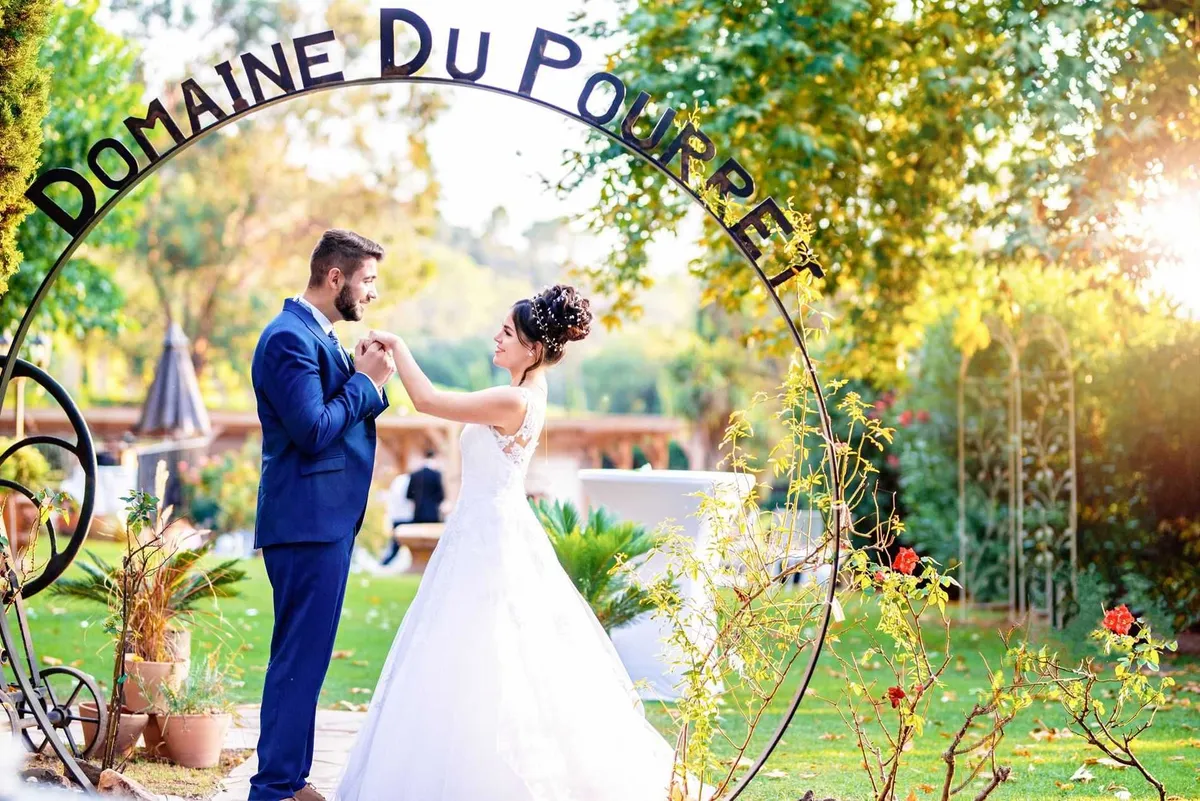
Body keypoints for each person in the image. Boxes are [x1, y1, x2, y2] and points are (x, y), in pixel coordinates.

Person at [337, 285, 688, 801]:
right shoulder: (521, 395)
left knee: (482, 645)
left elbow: (430, 400)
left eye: (508, 333)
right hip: (482, 528)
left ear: (533, 349)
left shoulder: (513, 400)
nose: (497, 339)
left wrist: (398, 345)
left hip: (490, 535)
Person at [248, 229, 394, 801]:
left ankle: (291, 778)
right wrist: (365, 382)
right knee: (297, 658)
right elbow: (312, 430)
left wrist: (357, 375)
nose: (372, 293)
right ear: (336, 277)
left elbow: (326, 411)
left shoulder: (317, 334)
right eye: (367, 280)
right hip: (305, 522)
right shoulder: (288, 337)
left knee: (307, 660)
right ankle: (272, 788)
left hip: (322, 521)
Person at [380, 450, 444, 566]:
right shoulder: (437, 475)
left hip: (418, 513)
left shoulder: (415, 475)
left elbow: (409, 495)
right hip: (433, 515)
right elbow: (440, 496)